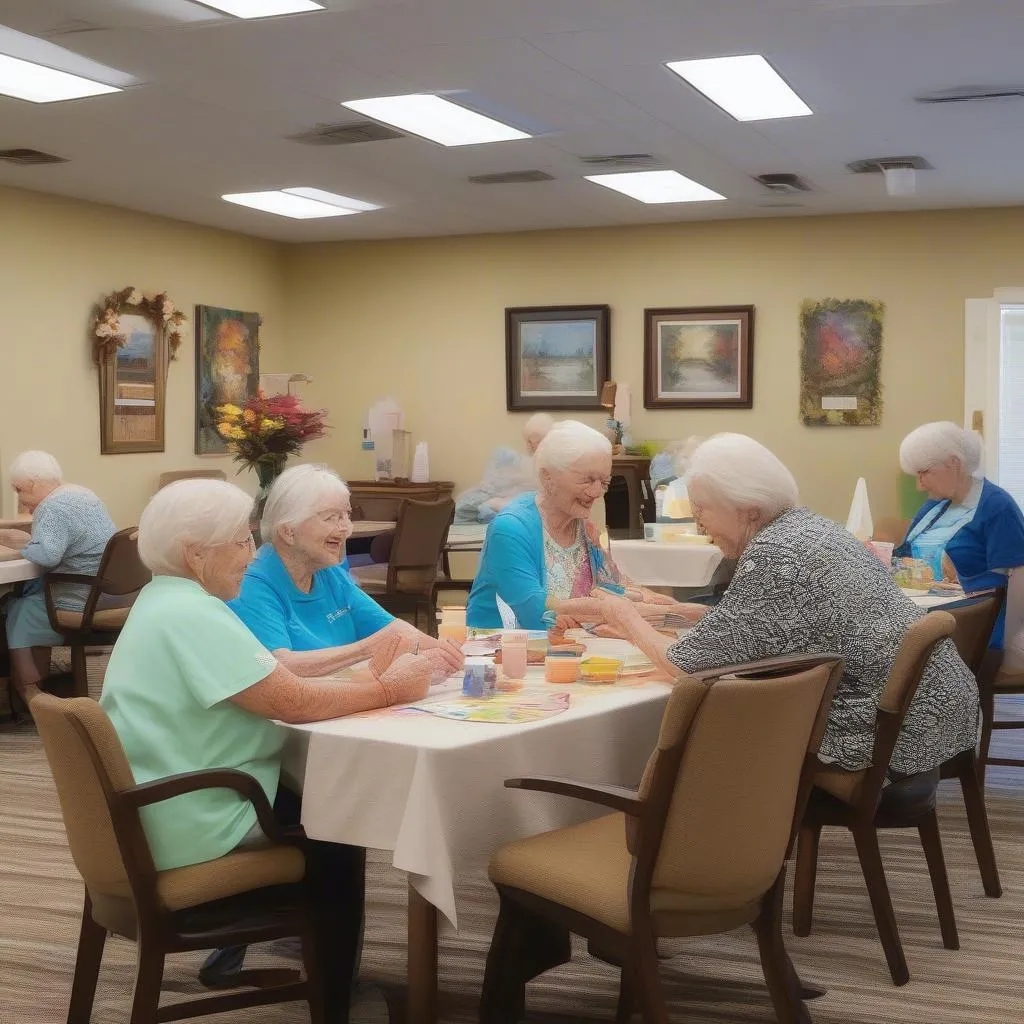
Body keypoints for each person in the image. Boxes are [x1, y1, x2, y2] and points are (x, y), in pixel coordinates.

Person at [98, 478, 442, 1022]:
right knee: (339, 823)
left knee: (314, 795)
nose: (252, 554)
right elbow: (293, 699)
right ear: (196, 553)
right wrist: (388, 690)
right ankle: (335, 1004)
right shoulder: (195, 615)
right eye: (241, 541)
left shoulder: (163, 599)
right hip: (194, 821)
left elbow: (276, 681)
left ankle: (290, 968)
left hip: (156, 804)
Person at [590, 434, 979, 776]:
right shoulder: (809, 527)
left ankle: (706, 845)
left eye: (702, 509)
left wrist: (622, 616)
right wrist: (675, 613)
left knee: (711, 727)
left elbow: (685, 665)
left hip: (888, 731)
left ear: (749, 510)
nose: (698, 523)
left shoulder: (776, 551)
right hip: (934, 712)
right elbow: (765, 622)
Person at [230, 463, 463, 678]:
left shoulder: (327, 570)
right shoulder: (251, 583)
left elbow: (393, 629)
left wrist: (449, 655)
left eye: (346, 516)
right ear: (288, 532)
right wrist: (367, 649)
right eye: (331, 518)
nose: (345, 529)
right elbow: (279, 666)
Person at [466, 420, 702, 630]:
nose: (597, 492)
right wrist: (641, 615)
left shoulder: (586, 529)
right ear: (548, 477)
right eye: (587, 480)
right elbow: (536, 613)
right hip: (501, 658)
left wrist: (657, 603)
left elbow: (613, 587)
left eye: (604, 482)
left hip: (565, 651)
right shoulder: (511, 529)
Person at [896, 421, 1024, 647]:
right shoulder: (935, 505)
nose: (919, 486)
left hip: (977, 625)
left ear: (953, 463)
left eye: (924, 473)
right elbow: (905, 557)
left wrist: (1010, 656)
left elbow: (1018, 583)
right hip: (924, 613)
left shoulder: (997, 507)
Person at [0, 451, 115, 701]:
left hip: (80, 599)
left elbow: (47, 556)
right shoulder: (83, 494)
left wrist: (21, 544)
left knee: (16, 609)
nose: (20, 500)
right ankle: (40, 682)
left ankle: (30, 692)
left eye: (20, 490)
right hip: (109, 593)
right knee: (28, 595)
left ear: (33, 483)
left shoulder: (52, 507)